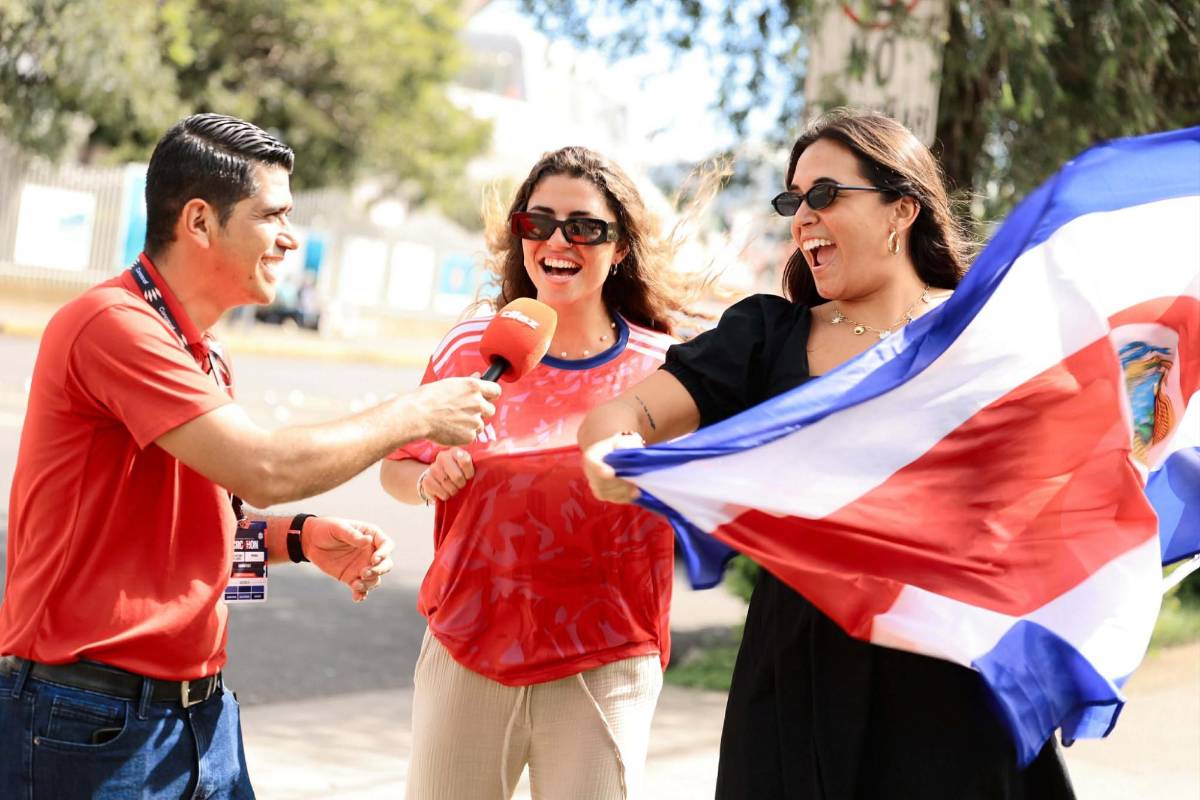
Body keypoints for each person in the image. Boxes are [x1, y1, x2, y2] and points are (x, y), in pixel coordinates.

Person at [578, 109, 1077, 799]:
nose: (803, 217)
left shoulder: (985, 329)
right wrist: (611, 451)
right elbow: (624, 413)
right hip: (799, 671)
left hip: (955, 667)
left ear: (901, 208)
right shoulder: (765, 334)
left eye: (824, 194)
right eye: (793, 201)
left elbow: (1066, 467)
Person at [0, 113, 500, 800]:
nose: (291, 238)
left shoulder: (204, 351)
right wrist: (416, 415)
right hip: (92, 723)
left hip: (198, 717)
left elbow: (199, 543)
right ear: (200, 222)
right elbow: (263, 470)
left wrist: (301, 540)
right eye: (273, 216)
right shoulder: (112, 325)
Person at [380, 146, 694, 799]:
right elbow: (398, 468)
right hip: (468, 649)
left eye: (584, 227)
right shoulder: (468, 349)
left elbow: (702, 493)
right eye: (538, 222)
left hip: (607, 658)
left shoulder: (666, 367)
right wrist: (428, 480)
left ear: (620, 247)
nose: (557, 241)